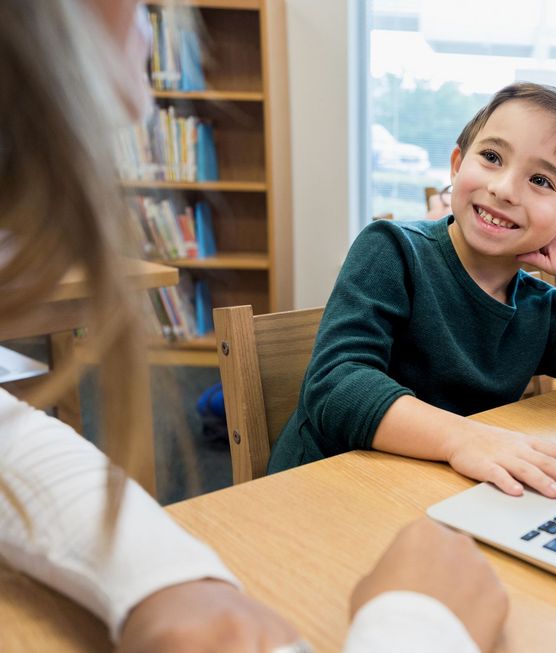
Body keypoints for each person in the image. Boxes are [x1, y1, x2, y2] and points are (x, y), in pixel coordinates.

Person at [0, 2, 506, 652]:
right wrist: (416, 627)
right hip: (333, 515)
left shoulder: (538, 301)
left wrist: (171, 582)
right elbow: (339, 385)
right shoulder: (394, 247)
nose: (149, 29)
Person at [268, 83, 556, 497]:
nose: (504, 189)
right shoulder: (392, 249)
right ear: (456, 164)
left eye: (541, 181)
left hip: (431, 496)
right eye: (491, 157)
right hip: (323, 493)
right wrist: (464, 438)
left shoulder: (540, 310)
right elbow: (338, 386)